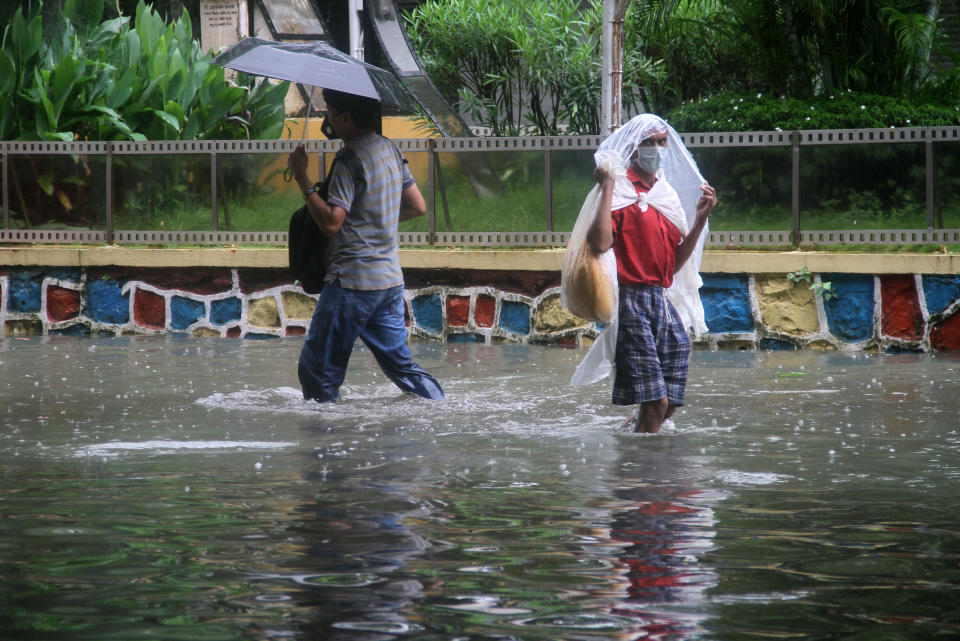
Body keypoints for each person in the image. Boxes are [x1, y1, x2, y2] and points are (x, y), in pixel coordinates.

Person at [287, 88, 444, 403]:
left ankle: (328, 444)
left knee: (317, 370)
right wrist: (372, 218)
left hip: (351, 284)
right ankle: (440, 407)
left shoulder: (348, 160)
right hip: (388, 283)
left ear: (346, 117)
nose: (327, 119)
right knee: (402, 368)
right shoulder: (389, 149)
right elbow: (416, 206)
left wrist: (302, 178)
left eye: (330, 112)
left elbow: (332, 222)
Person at [586, 114, 716, 433]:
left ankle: (636, 437)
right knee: (655, 401)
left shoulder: (664, 196)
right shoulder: (619, 192)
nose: (657, 149)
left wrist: (699, 220)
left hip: (659, 298)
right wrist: (606, 187)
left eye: (662, 143)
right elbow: (599, 243)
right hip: (630, 300)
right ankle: (643, 476)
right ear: (633, 149)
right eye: (649, 143)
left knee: (670, 398)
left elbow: (672, 265)